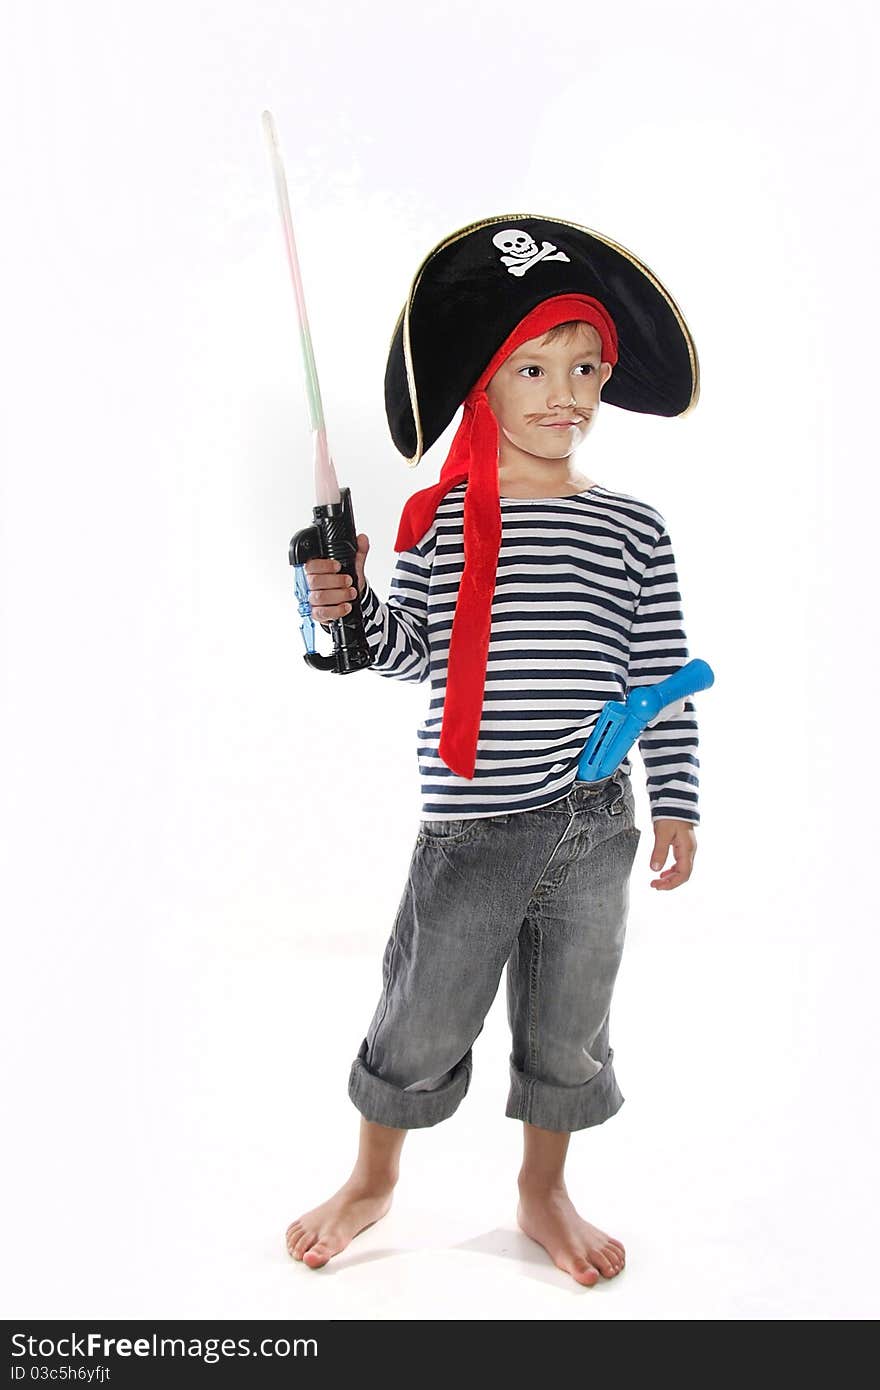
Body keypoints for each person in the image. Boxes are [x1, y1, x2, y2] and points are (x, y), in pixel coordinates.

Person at [286, 216, 702, 1286]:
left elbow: (663, 681)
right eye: (533, 366)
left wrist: (676, 803)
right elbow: (406, 650)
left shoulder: (635, 531)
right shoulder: (445, 522)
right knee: (423, 1013)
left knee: (570, 1021)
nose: (565, 392)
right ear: (485, 382)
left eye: (584, 368)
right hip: (473, 826)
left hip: (595, 822)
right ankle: (375, 1175)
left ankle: (541, 1186)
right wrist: (348, 608)